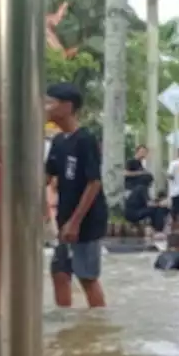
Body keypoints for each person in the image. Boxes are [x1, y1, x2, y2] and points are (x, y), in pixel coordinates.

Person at [44, 82, 108, 308]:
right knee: (59, 273)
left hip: (87, 220)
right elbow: (46, 176)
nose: (45, 107)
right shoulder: (58, 142)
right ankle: (66, 325)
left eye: (50, 102)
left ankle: (98, 328)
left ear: (67, 106)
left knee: (86, 277)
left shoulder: (85, 140)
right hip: (64, 217)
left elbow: (94, 183)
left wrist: (75, 222)